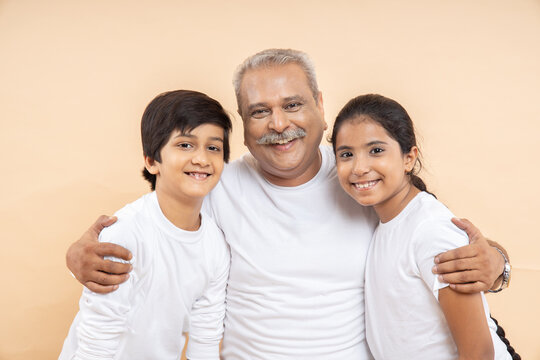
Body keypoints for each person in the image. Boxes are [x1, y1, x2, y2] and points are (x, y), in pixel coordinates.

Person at [65, 49, 509, 359]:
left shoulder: (360, 182)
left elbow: (424, 225)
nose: (279, 124)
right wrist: (78, 253)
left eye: (293, 104)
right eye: (259, 112)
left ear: (319, 105)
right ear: (243, 122)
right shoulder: (219, 181)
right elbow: (159, 220)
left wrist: (498, 263)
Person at [331, 93, 515, 359]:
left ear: (409, 158)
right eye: (346, 154)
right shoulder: (386, 221)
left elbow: (479, 352)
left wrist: (500, 263)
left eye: (376, 150)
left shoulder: (430, 230)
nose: (359, 167)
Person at [59, 90, 232, 360]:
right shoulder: (125, 233)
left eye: (213, 147)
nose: (201, 158)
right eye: (185, 145)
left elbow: (205, 339)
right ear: (152, 161)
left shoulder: (215, 245)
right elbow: (98, 341)